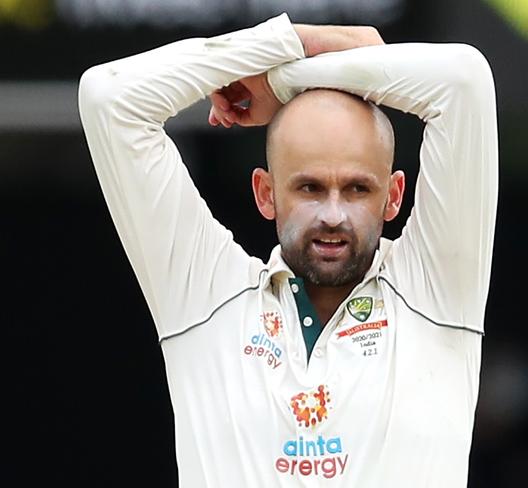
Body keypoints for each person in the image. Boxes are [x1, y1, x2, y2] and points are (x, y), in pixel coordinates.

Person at [79, 12, 498, 487]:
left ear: (393, 196)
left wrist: (288, 78)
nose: (334, 214)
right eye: (310, 187)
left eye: (359, 189)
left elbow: (465, 81)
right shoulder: (203, 297)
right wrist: (298, 40)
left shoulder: (435, 291)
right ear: (266, 193)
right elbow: (108, 98)